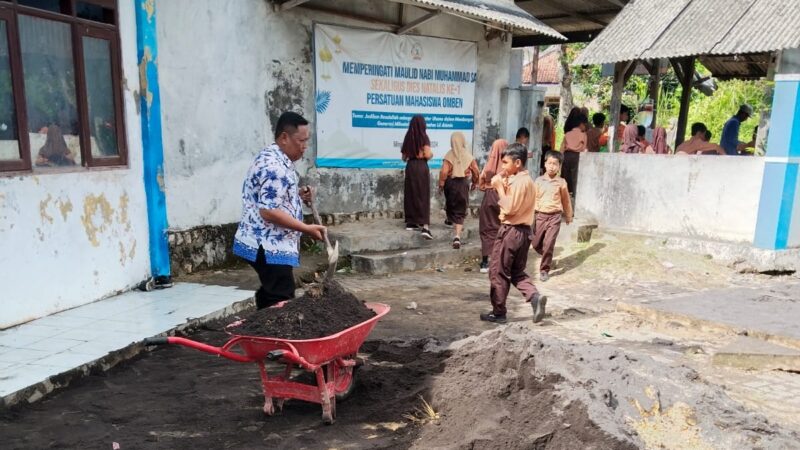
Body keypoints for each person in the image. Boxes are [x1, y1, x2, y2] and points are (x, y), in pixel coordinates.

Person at [232, 112, 326, 309]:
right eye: (301, 141)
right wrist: (306, 228)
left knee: (273, 291)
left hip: (263, 240)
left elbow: (271, 195)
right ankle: (270, 327)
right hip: (267, 244)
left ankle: (261, 321)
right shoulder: (275, 167)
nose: (305, 146)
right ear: (284, 137)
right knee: (281, 295)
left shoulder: (273, 157)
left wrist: (297, 195)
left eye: (306, 141)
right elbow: (268, 211)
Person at [479, 143, 547, 324]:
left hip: (511, 231)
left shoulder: (518, 182)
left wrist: (499, 188)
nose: (502, 167)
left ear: (517, 163)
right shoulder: (528, 181)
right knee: (517, 271)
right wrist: (502, 180)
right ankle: (534, 297)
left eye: (505, 163)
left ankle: (498, 312)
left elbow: (509, 208)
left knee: (498, 271)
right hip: (524, 232)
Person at [531, 150, 573, 282]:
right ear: (545, 164)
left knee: (549, 243)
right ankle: (546, 254)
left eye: (555, 164)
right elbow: (532, 198)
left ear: (559, 166)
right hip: (540, 216)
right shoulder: (538, 181)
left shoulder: (561, 182)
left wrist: (569, 215)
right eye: (549, 163)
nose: (552, 166)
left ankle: (544, 269)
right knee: (535, 243)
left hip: (555, 217)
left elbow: (566, 200)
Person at [439, 131, 479, 249]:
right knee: (461, 208)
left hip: (450, 183)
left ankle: (450, 220)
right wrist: (475, 182)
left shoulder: (448, 155)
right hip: (463, 183)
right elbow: (476, 171)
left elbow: (444, 172)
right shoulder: (468, 156)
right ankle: (457, 236)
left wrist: (441, 184)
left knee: (451, 202)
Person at [477, 138, 508, 273]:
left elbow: (481, 183)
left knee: (487, 228)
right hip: (504, 197)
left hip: (489, 197)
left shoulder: (489, 166)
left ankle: (485, 262)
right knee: (503, 227)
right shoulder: (508, 167)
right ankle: (500, 260)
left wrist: (487, 186)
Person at [402, 115, 434, 239]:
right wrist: (430, 155)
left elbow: (403, 157)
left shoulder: (408, 138)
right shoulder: (424, 137)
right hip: (421, 167)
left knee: (411, 193)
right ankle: (425, 226)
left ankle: (411, 222)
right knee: (422, 194)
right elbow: (427, 154)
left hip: (410, 166)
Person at [560, 109, 587, 195]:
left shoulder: (567, 134)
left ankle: (564, 193)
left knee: (565, 176)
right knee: (576, 177)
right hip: (577, 157)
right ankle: (575, 194)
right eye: (585, 125)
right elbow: (584, 148)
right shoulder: (583, 135)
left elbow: (562, 147)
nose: (585, 127)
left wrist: (561, 158)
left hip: (567, 156)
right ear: (581, 124)